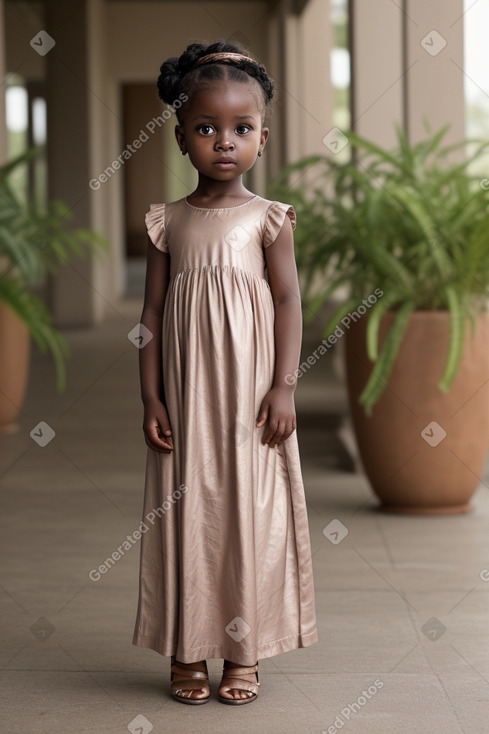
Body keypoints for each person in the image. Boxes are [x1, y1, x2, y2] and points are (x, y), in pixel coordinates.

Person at [132, 38, 318, 706]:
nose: (223, 142)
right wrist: (151, 394)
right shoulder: (168, 221)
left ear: (261, 139)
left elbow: (290, 301)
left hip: (250, 402)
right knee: (189, 514)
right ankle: (187, 650)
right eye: (206, 128)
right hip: (186, 401)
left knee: (247, 516)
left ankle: (245, 651)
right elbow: (150, 312)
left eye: (240, 129)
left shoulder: (269, 220)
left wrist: (284, 384)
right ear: (181, 137)